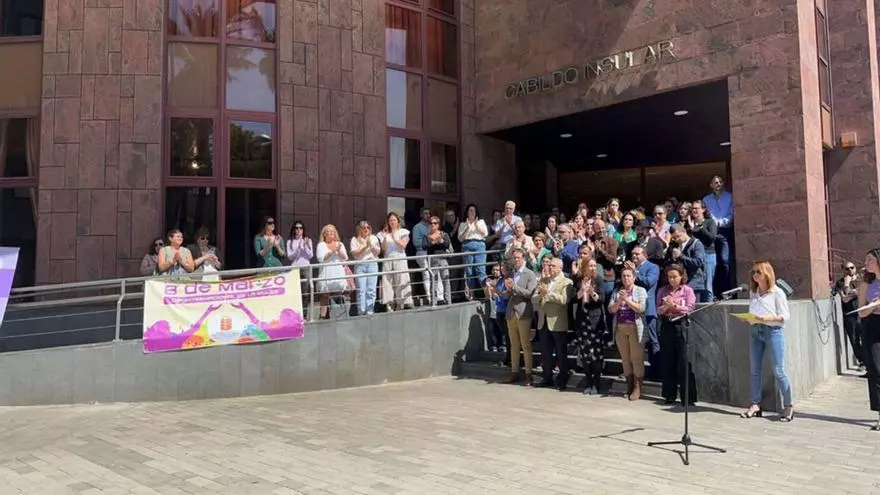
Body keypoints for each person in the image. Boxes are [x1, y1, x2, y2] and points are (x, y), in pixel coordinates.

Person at [740, 261, 794, 422]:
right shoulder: (754, 292)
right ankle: (755, 403)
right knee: (755, 369)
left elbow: (785, 316)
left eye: (758, 272)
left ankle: (789, 405)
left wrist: (767, 318)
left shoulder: (777, 292)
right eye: (753, 272)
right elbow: (753, 311)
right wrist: (749, 319)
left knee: (778, 370)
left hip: (773, 331)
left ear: (767, 275)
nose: (755, 275)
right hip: (756, 330)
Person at [656, 264, 697, 405]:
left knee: (684, 362)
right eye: (670, 277)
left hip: (682, 325)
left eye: (675, 277)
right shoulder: (663, 291)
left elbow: (690, 308)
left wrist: (675, 306)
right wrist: (666, 307)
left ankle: (688, 397)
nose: (672, 280)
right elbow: (659, 310)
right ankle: (669, 395)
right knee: (668, 360)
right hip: (667, 325)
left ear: (681, 276)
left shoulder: (687, 290)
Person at [609, 266, 648, 401]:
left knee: (636, 358)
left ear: (634, 277)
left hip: (635, 328)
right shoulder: (617, 292)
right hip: (620, 327)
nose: (626, 278)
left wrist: (627, 300)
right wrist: (619, 301)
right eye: (624, 276)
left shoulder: (640, 291)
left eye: (628, 276)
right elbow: (611, 310)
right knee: (625, 359)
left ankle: (638, 387)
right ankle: (629, 384)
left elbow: (641, 308)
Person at [533, 257, 573, 390]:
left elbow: (564, 300)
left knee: (561, 352)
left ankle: (562, 379)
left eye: (553, 266)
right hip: (543, 321)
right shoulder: (543, 280)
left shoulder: (566, 282)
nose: (550, 268)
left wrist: (548, 294)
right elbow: (534, 298)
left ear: (560, 268)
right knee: (545, 352)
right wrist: (541, 295)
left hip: (557, 322)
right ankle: (547, 377)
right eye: (549, 266)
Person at [501, 248, 537, 386]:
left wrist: (514, 287)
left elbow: (529, 293)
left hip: (523, 312)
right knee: (514, 345)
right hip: (511, 312)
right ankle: (514, 371)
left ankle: (529, 374)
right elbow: (508, 293)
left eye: (518, 257)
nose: (516, 260)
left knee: (526, 345)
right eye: (514, 258)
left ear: (524, 258)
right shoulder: (511, 274)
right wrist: (501, 291)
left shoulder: (529, 274)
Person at [572, 255, 608, 395]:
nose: (593, 268)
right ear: (584, 267)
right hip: (582, 320)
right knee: (585, 354)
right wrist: (582, 291)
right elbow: (573, 299)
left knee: (596, 354)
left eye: (594, 266)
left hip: (595, 320)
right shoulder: (578, 280)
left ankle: (597, 384)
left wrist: (592, 292)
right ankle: (588, 382)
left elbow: (602, 300)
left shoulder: (598, 279)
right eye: (590, 266)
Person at [628, 246, 660, 380]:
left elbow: (648, 282)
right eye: (632, 254)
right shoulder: (629, 269)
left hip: (647, 308)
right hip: (632, 309)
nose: (634, 256)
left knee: (652, 340)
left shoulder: (653, 267)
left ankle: (657, 371)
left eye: (637, 254)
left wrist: (634, 271)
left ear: (645, 255)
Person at [858, 248, 880, 431]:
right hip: (872, 325)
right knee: (875, 368)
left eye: (870, 259)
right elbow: (861, 312)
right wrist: (873, 306)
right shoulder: (866, 282)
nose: (866, 263)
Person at [703, 175, 734, 292]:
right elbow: (708, 215)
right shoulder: (706, 200)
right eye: (715, 182)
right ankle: (715, 290)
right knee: (712, 261)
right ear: (711, 185)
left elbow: (732, 213)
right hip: (712, 231)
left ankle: (727, 290)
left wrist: (721, 222)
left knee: (725, 260)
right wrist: (714, 223)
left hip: (725, 231)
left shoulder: (730, 197)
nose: (718, 184)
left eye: (720, 182)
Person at [378, 212, 414, 312]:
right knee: (387, 281)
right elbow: (384, 249)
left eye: (394, 220)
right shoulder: (383, 234)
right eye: (390, 220)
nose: (392, 222)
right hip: (388, 257)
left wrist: (394, 237)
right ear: (388, 222)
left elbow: (403, 245)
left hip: (400, 257)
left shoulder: (403, 232)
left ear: (398, 221)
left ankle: (400, 303)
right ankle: (389, 304)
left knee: (401, 279)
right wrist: (385, 237)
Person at [666, 223, 707, 302]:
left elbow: (698, 262)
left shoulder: (696, 244)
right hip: (679, 285)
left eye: (678, 236)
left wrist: (681, 256)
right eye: (674, 238)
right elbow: (667, 262)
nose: (677, 239)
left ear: (684, 232)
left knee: (693, 310)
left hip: (694, 283)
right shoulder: (674, 246)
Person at [316, 224, 349, 319]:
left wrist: (338, 251)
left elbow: (345, 258)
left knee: (338, 294)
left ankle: (338, 315)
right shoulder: (321, 245)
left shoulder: (340, 244)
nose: (331, 233)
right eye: (328, 231)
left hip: (337, 272)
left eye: (333, 231)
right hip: (326, 272)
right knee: (325, 295)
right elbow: (320, 258)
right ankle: (323, 316)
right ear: (324, 234)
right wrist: (332, 251)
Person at [836, 261, 864, 370]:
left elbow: (853, 294)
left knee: (865, 338)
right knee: (854, 339)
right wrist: (848, 289)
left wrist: (850, 292)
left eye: (852, 268)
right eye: (847, 269)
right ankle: (862, 361)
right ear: (843, 270)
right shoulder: (840, 283)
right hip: (849, 315)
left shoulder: (860, 280)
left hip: (862, 312)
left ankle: (868, 362)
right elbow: (845, 298)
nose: (850, 270)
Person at [349, 220, 381, 316]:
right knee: (361, 290)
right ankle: (361, 311)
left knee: (371, 289)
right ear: (359, 229)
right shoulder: (354, 239)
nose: (366, 229)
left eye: (368, 227)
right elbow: (355, 254)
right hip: (360, 265)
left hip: (372, 264)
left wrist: (371, 245)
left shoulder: (374, 238)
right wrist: (365, 246)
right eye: (364, 227)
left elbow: (377, 253)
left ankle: (370, 310)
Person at [457, 204, 489, 299]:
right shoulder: (463, 224)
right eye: (470, 210)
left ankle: (487, 292)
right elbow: (460, 238)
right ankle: (471, 294)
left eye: (474, 211)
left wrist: (476, 225)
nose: (472, 212)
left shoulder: (481, 221)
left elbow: (485, 234)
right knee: (469, 271)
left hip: (479, 245)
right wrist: (467, 227)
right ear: (467, 212)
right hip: (467, 245)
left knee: (481, 269)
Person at [422, 216, 452, 305]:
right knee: (433, 281)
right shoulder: (426, 236)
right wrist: (434, 242)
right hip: (432, 259)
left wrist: (441, 241)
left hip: (443, 258)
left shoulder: (443, 234)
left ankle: (448, 301)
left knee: (446, 280)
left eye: (435, 223)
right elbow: (424, 246)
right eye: (431, 223)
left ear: (438, 225)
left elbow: (447, 244)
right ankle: (434, 303)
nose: (433, 225)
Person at [484, 263, 508, 352]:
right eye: (494, 270)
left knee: (502, 330)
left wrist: (494, 288)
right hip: (493, 310)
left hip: (502, 309)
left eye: (497, 270)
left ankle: (503, 344)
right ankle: (495, 344)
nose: (495, 272)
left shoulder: (503, 281)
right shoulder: (490, 281)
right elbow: (487, 296)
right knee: (493, 329)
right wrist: (488, 287)